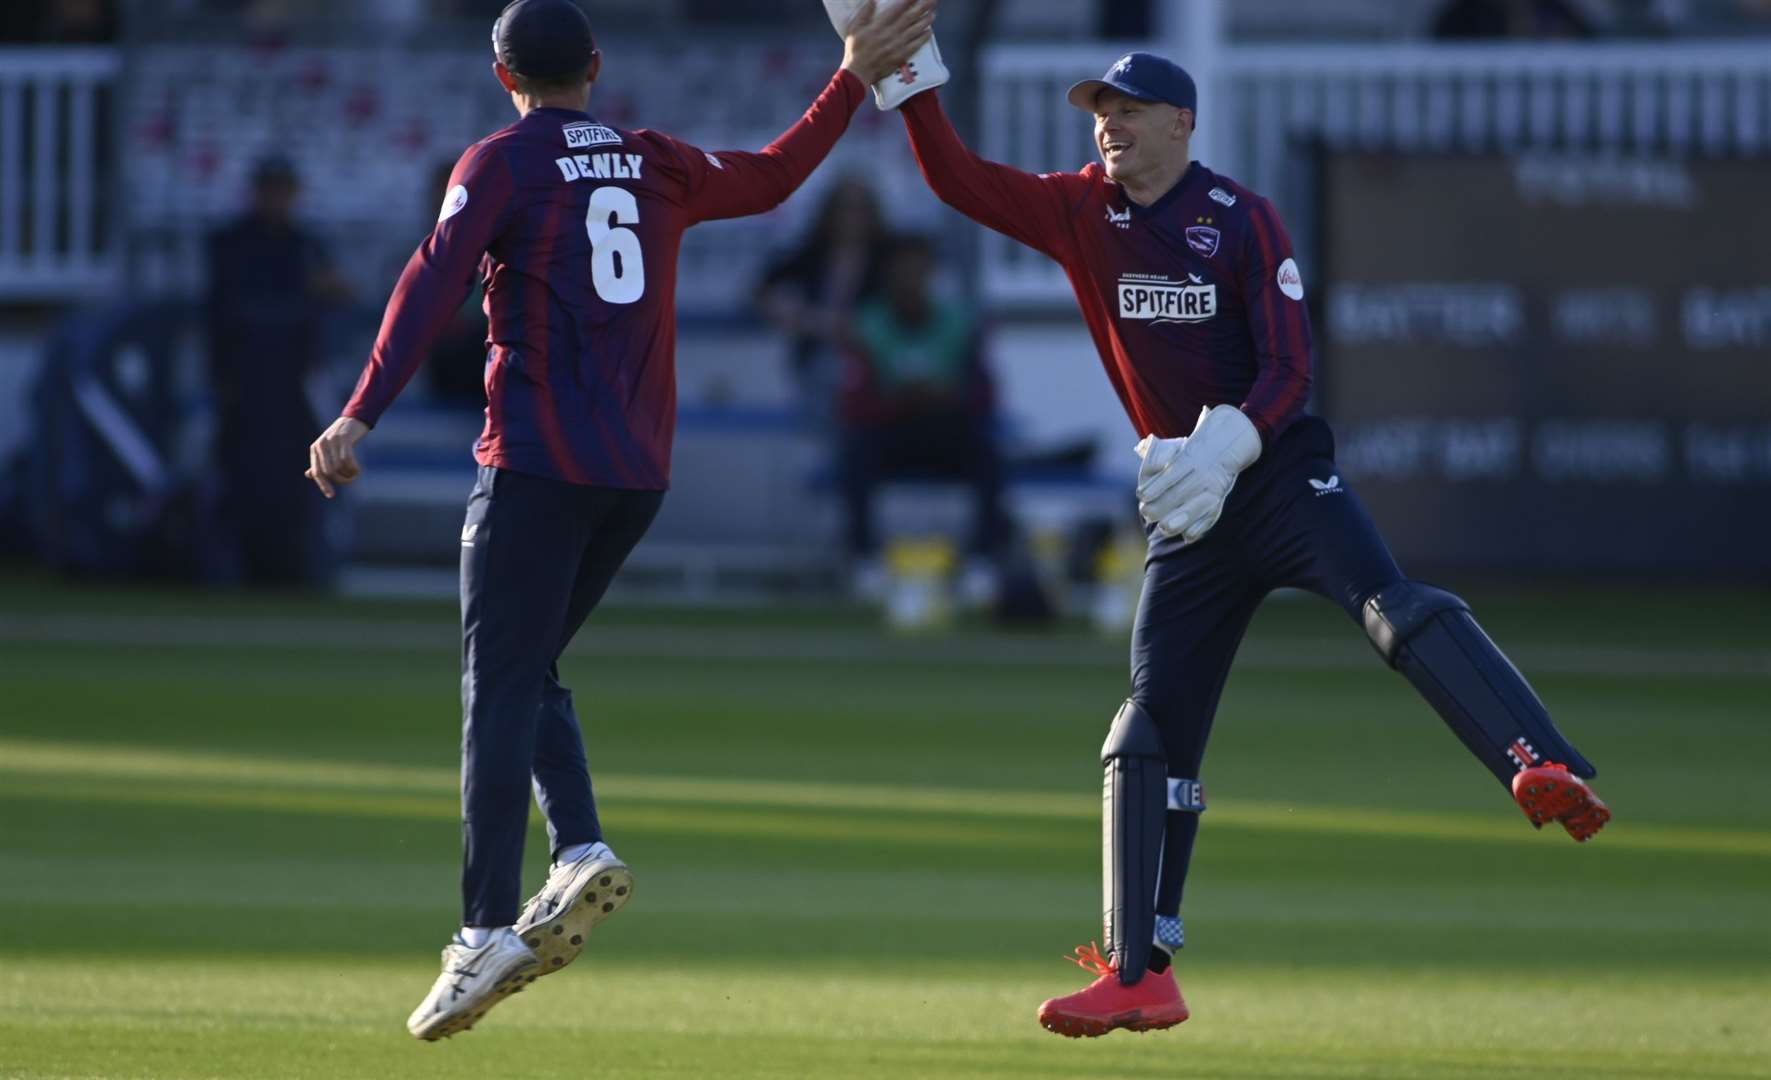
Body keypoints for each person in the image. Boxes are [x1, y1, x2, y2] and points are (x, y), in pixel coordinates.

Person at [896, 49, 1612, 1038]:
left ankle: (1542, 763)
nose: (1109, 125)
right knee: (1148, 731)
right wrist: (905, 78)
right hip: (1191, 517)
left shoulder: (1238, 217)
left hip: (1278, 483)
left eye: (1131, 110)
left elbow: (1288, 369)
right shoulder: (1077, 212)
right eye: (1099, 110)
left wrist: (1226, 442)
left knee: (1392, 608)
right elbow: (955, 179)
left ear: (1183, 123)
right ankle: (1138, 969)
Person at [301, 0, 936, 1040]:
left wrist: (359, 409)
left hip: (537, 463)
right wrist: (852, 77)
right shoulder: (654, 160)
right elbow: (776, 176)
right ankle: (582, 847)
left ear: (501, 75)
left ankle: (478, 930)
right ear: (596, 66)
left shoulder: (500, 161)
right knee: (533, 663)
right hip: (636, 475)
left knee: (497, 685)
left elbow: (432, 279)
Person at [206, 155, 350, 586]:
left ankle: (290, 568)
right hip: (247, 382)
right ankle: (239, 569)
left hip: (294, 383)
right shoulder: (233, 243)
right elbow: (231, 312)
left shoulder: (305, 244)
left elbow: (330, 300)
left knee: (292, 482)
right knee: (245, 478)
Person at [837, 233, 1006, 587]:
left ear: (930, 274)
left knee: (988, 456)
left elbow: (984, 393)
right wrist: (899, 400)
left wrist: (947, 396)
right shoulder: (867, 325)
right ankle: (864, 560)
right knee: (854, 455)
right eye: (901, 272)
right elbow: (853, 401)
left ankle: (982, 561)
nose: (909, 280)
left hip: (944, 431)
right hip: (890, 432)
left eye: (918, 271)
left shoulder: (958, 323)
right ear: (887, 276)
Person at [755, 174, 894, 426]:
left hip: (871, 362)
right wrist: (787, 311)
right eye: (844, 208)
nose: (852, 218)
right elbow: (762, 286)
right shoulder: (812, 252)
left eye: (859, 209)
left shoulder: (886, 257)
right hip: (816, 358)